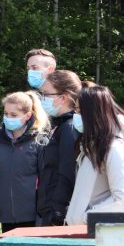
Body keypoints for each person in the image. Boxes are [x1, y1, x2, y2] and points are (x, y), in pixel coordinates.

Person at [0, 91, 50, 239]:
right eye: (6, 114)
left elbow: (46, 186)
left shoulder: (40, 141)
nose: (8, 118)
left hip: (34, 221)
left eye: (13, 115)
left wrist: (42, 223)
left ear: (27, 116)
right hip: (7, 220)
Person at [65, 85, 124, 225]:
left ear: (93, 113)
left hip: (96, 234)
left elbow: (123, 198)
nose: (75, 116)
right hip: (81, 233)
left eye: (79, 111)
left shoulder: (115, 148)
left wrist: (86, 218)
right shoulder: (90, 146)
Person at [36, 70, 82, 225]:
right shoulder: (60, 126)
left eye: (46, 94)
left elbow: (67, 173)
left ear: (63, 97)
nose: (42, 99)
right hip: (49, 209)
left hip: (58, 213)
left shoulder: (69, 129)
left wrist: (57, 211)